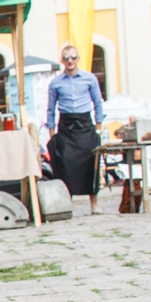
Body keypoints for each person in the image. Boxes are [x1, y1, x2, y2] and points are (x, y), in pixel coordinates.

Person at [45, 43, 105, 213]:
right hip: (66, 126)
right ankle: (67, 206)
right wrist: (52, 133)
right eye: (66, 58)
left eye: (73, 57)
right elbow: (51, 109)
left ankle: (94, 205)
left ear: (78, 59)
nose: (70, 61)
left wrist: (98, 127)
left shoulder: (90, 78)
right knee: (65, 165)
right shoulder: (55, 83)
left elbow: (98, 103)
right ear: (62, 61)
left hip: (85, 124)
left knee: (91, 165)